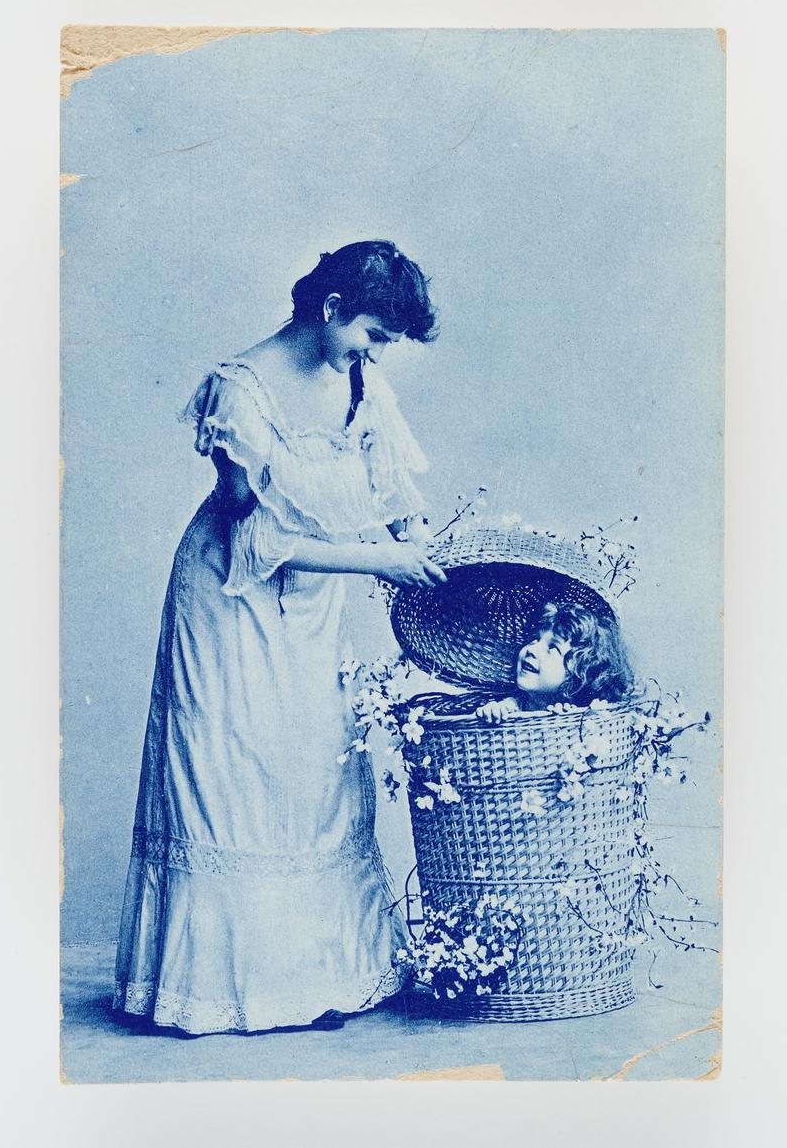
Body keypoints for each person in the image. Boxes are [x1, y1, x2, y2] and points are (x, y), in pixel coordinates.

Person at [113, 240, 446, 1035]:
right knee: (236, 773)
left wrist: (420, 544)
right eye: (373, 332)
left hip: (312, 606)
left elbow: (394, 489)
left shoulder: (358, 377)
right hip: (229, 600)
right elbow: (254, 540)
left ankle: (314, 980)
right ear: (330, 309)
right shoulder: (241, 391)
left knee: (308, 775)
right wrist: (378, 559)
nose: (378, 351)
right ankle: (231, 993)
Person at [475, 601, 634, 722]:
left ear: (580, 671)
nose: (532, 650)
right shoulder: (509, 707)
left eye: (552, 647)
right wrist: (493, 712)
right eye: (534, 639)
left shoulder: (577, 715)